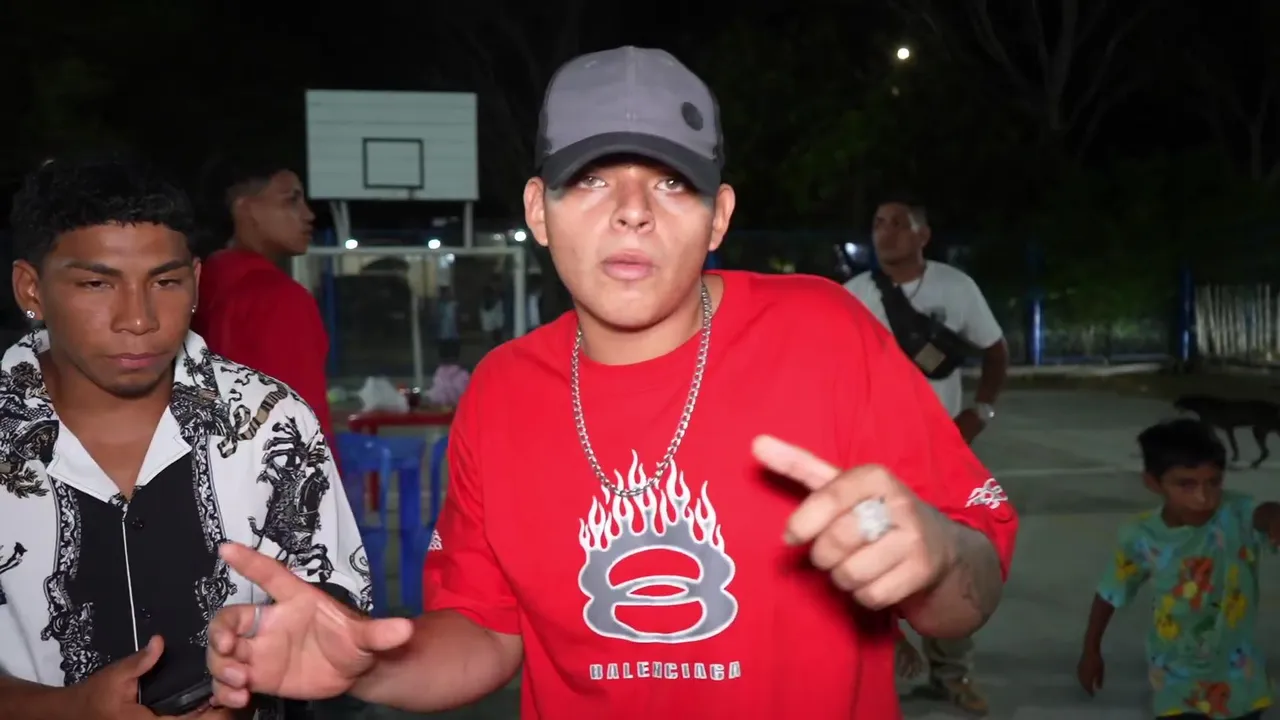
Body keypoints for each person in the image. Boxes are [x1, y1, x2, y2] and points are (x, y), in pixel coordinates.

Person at [204, 46, 1018, 718]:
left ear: (719, 215)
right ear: (538, 209)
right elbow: (486, 634)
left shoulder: (825, 333)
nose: (633, 210)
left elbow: (970, 595)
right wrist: (363, 666)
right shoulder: (501, 391)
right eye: (592, 179)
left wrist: (938, 556)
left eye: (671, 181)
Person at [0, 155, 371, 720]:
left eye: (165, 282)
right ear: (31, 289)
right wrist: (68, 709)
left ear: (196, 281)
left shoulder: (271, 421)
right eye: (97, 283)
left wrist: (267, 676)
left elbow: (340, 615)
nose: (138, 319)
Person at [844, 197, 1010, 715]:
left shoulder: (956, 288)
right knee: (868, 559)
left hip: (939, 456)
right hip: (871, 456)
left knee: (947, 562)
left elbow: (995, 350)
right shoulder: (853, 294)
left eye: (899, 224)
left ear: (923, 235)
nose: (886, 233)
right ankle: (875, 666)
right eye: (878, 224)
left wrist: (980, 412)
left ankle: (952, 674)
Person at [1078, 418, 1278, 720]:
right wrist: (1091, 649)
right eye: (1186, 484)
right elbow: (1110, 592)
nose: (1203, 496)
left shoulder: (1237, 515)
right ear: (1153, 482)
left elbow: (1263, 513)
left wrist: (1275, 518)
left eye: (1213, 482)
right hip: (1175, 679)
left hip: (1240, 681)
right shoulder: (1142, 535)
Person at [192, 158, 334, 441]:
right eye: (291, 201)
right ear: (246, 209)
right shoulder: (281, 299)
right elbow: (301, 422)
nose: (308, 215)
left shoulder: (197, 283)